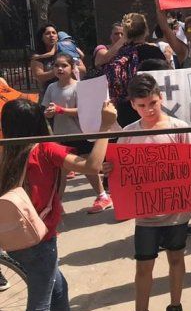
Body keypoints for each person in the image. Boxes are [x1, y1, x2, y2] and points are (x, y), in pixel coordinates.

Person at [0, 97, 117, 311]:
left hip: (16, 239)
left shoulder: (6, 150)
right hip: (40, 242)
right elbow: (92, 166)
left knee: (59, 291)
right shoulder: (44, 149)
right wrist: (106, 127)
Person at [112, 75, 191, 311]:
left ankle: (175, 309)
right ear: (133, 105)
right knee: (143, 265)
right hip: (146, 213)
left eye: (153, 103)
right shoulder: (128, 133)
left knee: (176, 259)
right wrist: (109, 171)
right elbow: (119, 170)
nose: (149, 110)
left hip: (176, 211)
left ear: (161, 97)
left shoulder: (178, 127)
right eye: (142, 105)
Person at [43, 53, 112, 213]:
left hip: (80, 134)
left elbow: (83, 110)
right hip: (61, 134)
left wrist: (61, 110)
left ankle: (102, 196)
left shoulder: (79, 87)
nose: (60, 69)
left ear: (72, 68)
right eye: (56, 66)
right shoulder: (51, 88)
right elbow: (46, 108)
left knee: (89, 168)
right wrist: (49, 113)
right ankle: (56, 206)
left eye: (64, 65)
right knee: (60, 171)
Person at [107, 13, 168, 128]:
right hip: (152, 110)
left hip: (124, 114)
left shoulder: (118, 55)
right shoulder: (154, 52)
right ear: (146, 30)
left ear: (125, 33)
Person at [31, 24, 86, 92]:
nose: (51, 35)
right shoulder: (38, 57)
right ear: (41, 38)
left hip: (72, 93)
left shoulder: (68, 52)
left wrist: (65, 70)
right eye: (47, 33)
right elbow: (39, 76)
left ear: (57, 37)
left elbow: (83, 70)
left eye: (54, 33)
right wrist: (60, 71)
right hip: (49, 95)